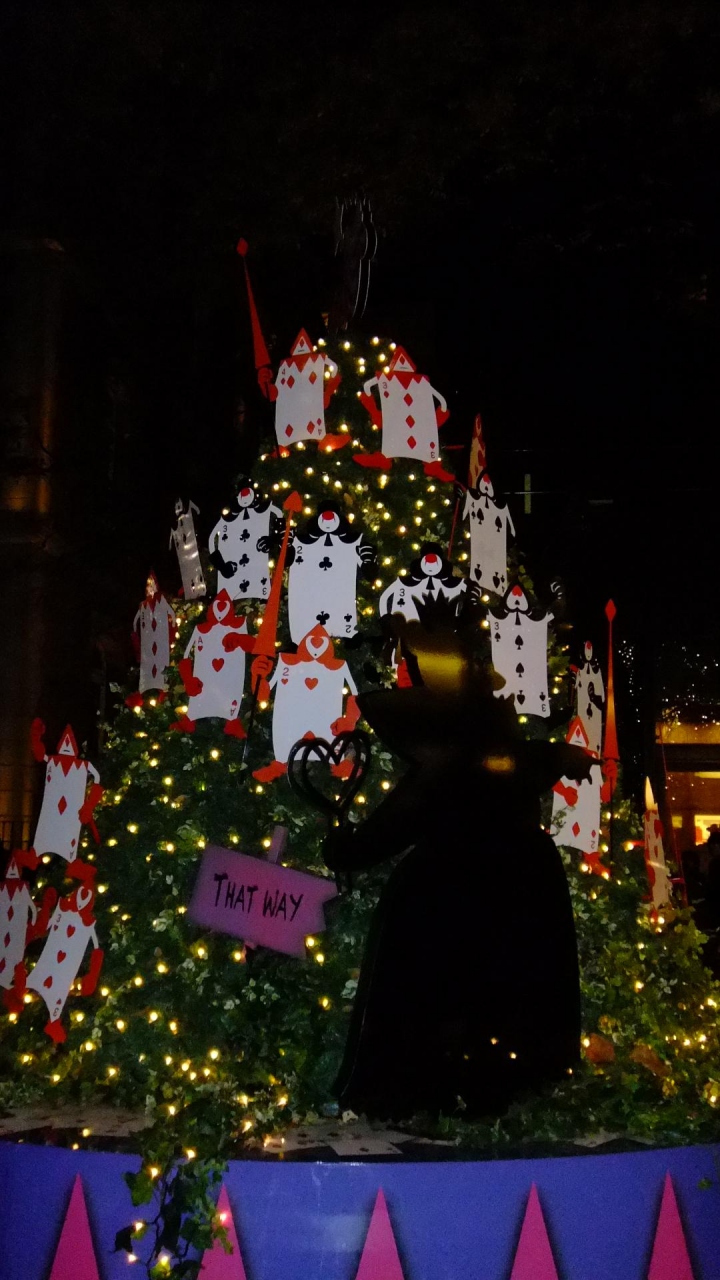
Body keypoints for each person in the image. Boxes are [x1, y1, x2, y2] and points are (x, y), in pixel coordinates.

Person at [322, 614, 593, 1120]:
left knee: (444, 988)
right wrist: (563, 757)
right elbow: (538, 761)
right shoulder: (501, 746)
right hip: (524, 885)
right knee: (508, 991)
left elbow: (399, 821)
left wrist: (346, 851)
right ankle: (506, 1087)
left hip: (454, 889)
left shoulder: (446, 758)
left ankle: (446, 1089)